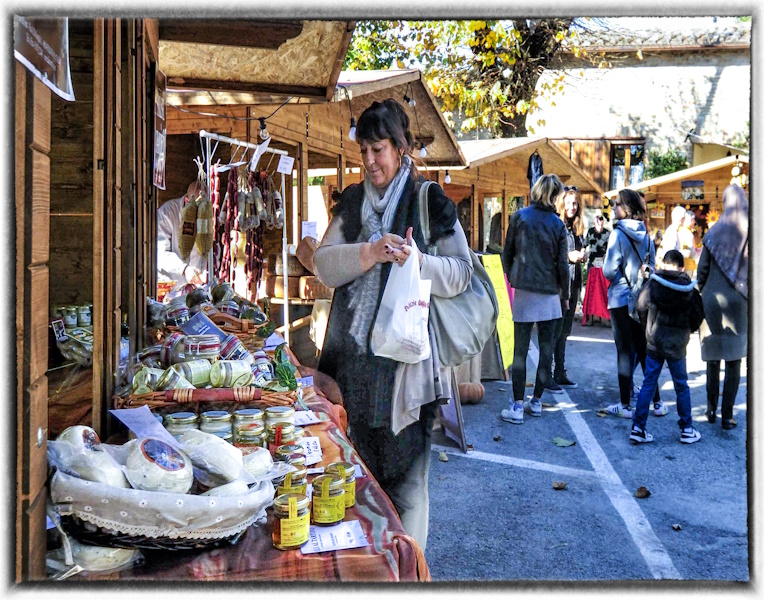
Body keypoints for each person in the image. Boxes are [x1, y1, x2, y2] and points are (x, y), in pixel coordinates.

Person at [313, 98, 472, 550]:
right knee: (353, 485)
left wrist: (418, 262)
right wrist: (369, 253)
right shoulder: (351, 201)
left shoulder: (429, 201)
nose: (368, 161)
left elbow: (461, 273)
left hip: (405, 375)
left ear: (400, 149)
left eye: (378, 149)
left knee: (406, 492)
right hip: (349, 372)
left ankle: (409, 576)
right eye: (363, 150)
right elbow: (324, 265)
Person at [501, 174, 569, 424]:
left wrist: (512, 276)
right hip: (550, 292)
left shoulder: (519, 217)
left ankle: (517, 406)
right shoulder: (558, 224)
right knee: (546, 349)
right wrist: (566, 295)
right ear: (554, 195)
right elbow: (563, 265)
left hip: (524, 290)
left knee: (520, 351)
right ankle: (536, 401)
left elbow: (507, 252)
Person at [629, 250, 704, 444]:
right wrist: (686, 331)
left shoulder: (653, 284)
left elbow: (640, 306)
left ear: (664, 264)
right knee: (681, 384)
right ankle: (687, 429)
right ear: (681, 267)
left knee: (649, 382)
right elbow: (697, 314)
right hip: (677, 344)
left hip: (655, 341)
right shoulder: (689, 288)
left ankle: (638, 427)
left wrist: (649, 329)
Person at [602, 189, 664, 418]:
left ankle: (625, 405)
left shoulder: (617, 235)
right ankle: (656, 403)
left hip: (620, 298)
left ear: (626, 208)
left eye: (617, 204)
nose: (614, 207)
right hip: (641, 299)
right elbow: (652, 269)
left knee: (624, 352)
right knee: (643, 350)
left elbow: (608, 271)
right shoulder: (647, 236)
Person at [697, 185, 748, 430]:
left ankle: (710, 410)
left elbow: (702, 271)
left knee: (713, 357)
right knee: (734, 360)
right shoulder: (752, 232)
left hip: (712, 301)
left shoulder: (714, 232)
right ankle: (727, 416)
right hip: (740, 304)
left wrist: (702, 290)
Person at [551, 186, 586, 388]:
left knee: (564, 331)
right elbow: (550, 254)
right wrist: (569, 257)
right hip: (559, 287)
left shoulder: (575, 228)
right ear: (562, 203)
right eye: (569, 203)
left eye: (575, 203)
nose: (572, 207)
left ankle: (559, 372)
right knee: (555, 331)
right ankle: (547, 374)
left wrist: (582, 256)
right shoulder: (557, 225)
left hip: (573, 285)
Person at [157, 181, 207, 285]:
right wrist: (184, 269)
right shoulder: (167, 213)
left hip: (197, 289)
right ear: (186, 201)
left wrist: (206, 272)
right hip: (170, 287)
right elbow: (160, 253)